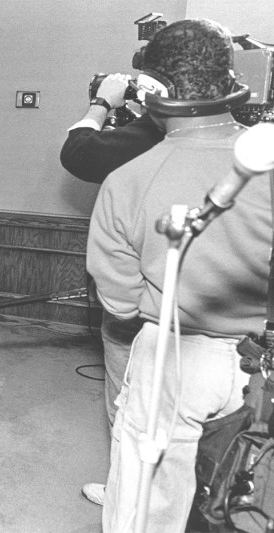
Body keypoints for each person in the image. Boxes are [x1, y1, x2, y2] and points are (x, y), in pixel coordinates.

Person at [87, 19, 263, 532]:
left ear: (155, 90)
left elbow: (119, 304)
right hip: (259, 363)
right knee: (246, 500)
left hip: (175, 360)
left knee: (147, 507)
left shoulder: (127, 181)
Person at [61, 74, 165, 507]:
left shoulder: (154, 134)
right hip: (213, 307)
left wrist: (104, 102)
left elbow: (78, 152)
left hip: (139, 304)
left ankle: (126, 495)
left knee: (127, 398)